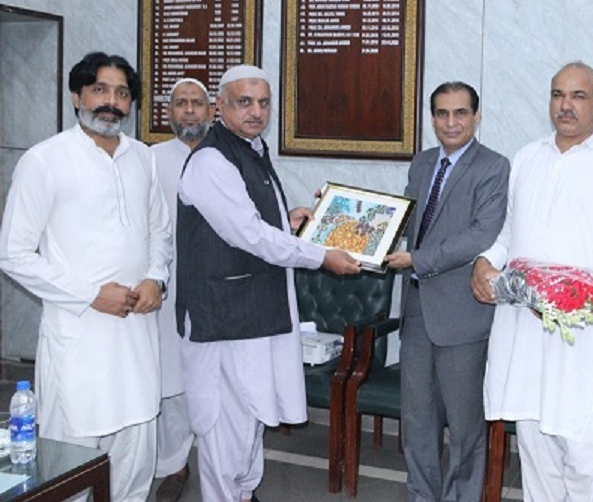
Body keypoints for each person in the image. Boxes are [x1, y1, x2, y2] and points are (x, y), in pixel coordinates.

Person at [176, 64, 361, 502]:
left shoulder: (251, 150)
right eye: (244, 102)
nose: (256, 111)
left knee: (250, 419)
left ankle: (244, 495)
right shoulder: (211, 160)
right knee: (225, 429)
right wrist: (321, 256)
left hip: (254, 316)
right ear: (219, 107)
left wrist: (289, 220)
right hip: (223, 322)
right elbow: (249, 235)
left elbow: (253, 222)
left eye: (263, 103)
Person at [0, 51, 172, 501]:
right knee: (70, 471)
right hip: (78, 341)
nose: (111, 102)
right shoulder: (45, 160)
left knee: (134, 466)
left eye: (122, 93)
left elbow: (160, 231)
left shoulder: (143, 158)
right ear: (77, 96)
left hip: (137, 338)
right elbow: (13, 254)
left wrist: (155, 278)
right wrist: (90, 295)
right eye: (100, 90)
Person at [471, 62, 593, 502]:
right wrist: (484, 262)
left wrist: (556, 297)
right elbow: (509, 233)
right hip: (525, 334)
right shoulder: (528, 157)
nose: (566, 105)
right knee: (535, 448)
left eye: (578, 96)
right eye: (557, 95)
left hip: (582, 336)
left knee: (586, 456)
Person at [384, 82, 509, 501]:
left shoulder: (493, 167)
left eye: (460, 113)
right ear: (432, 117)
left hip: (462, 316)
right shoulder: (422, 164)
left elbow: (480, 235)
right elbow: (402, 218)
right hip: (417, 312)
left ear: (476, 116)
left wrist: (417, 260)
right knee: (417, 422)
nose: (451, 122)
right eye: (442, 113)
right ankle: (421, 495)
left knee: (464, 428)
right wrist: (351, 216)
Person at [150, 77, 214, 501]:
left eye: (197, 103)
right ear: (168, 112)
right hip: (167, 287)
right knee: (170, 380)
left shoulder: (227, 156)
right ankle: (174, 465)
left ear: (211, 111)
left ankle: (223, 470)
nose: (189, 110)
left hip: (216, 289)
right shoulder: (150, 160)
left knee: (213, 382)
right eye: (181, 103)